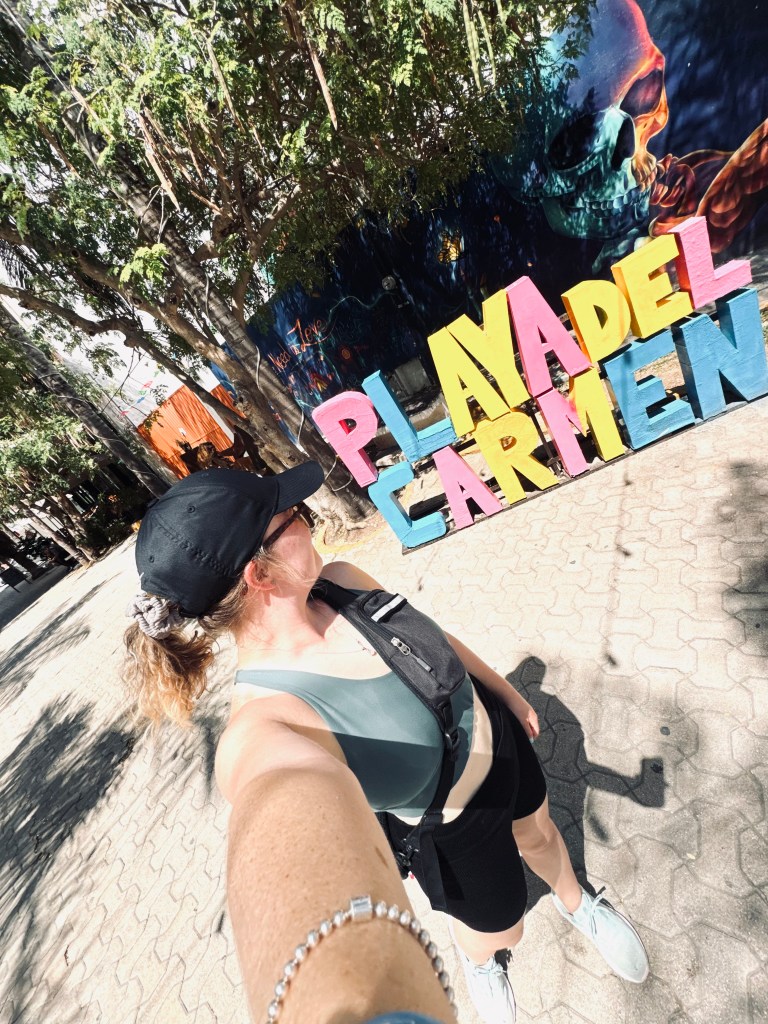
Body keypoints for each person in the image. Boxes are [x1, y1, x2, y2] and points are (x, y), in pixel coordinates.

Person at [124, 463, 649, 1024]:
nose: (313, 518)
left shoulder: (344, 580)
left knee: (541, 833)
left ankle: (578, 902)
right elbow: (274, 810)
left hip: (499, 744)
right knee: (502, 925)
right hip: (450, 832)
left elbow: (433, 640)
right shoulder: (266, 721)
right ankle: (482, 962)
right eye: (294, 516)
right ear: (259, 573)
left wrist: (506, 694)